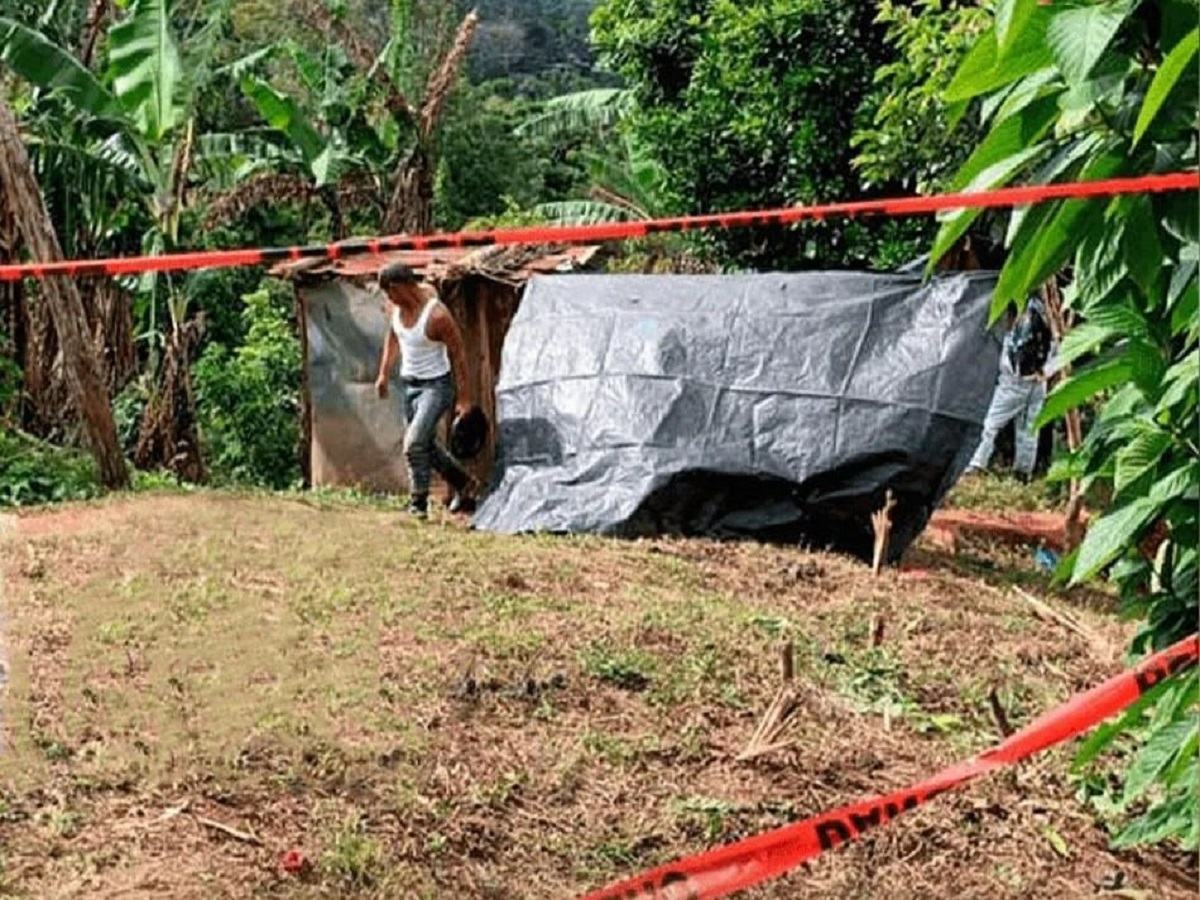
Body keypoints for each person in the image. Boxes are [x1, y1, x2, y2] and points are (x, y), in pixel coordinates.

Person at [375, 261, 476, 517]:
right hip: (409, 384)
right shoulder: (396, 309)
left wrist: (464, 399)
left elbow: (458, 355)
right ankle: (464, 484)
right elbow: (393, 336)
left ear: (401, 287)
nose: (389, 298)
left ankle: (418, 502)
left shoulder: (437, 316)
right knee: (426, 446)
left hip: (436, 387)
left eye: (390, 292)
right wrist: (384, 373)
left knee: (414, 443)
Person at [965, 295, 1059, 482]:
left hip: (1017, 382)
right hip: (1032, 382)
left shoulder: (1030, 323)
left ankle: (976, 465)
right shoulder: (1046, 322)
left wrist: (1043, 372)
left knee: (992, 424)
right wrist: (1046, 372)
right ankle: (1022, 473)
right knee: (1028, 429)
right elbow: (1059, 351)